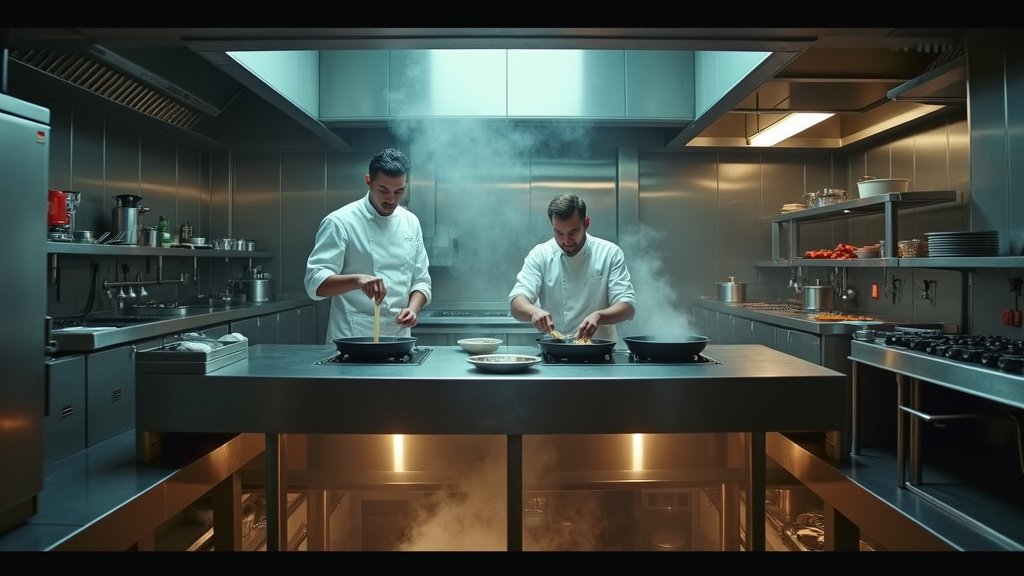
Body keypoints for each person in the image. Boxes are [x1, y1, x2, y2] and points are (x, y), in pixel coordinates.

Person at [304, 147, 431, 342]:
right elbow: (315, 284)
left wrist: (413, 309)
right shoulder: (340, 222)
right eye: (383, 190)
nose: (391, 199)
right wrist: (357, 281)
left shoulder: (411, 222)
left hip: (398, 338)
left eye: (399, 191)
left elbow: (421, 281)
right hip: (351, 338)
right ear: (368, 181)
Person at [509, 193, 637, 342]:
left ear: (586, 223)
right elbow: (517, 302)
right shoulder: (540, 255)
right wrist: (533, 311)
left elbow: (627, 307)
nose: (567, 241)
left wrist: (599, 316)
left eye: (573, 232)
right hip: (555, 348)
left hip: (600, 350)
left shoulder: (609, 253)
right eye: (559, 233)